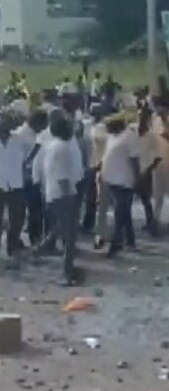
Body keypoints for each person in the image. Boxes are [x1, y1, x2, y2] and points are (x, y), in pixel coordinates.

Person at [38, 115, 83, 285]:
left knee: (60, 228)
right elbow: (63, 177)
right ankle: (67, 273)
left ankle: (39, 250)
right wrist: (69, 198)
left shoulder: (52, 146)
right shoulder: (63, 148)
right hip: (62, 194)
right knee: (70, 235)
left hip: (53, 193)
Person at [101, 113, 140, 257]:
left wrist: (137, 180)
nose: (106, 129)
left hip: (124, 182)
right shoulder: (112, 137)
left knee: (119, 214)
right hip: (111, 181)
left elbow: (134, 160)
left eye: (108, 126)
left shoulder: (129, 137)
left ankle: (116, 244)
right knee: (125, 214)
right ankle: (130, 241)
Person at [15, 110, 49, 246]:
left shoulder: (33, 133)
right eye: (44, 124)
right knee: (30, 210)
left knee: (34, 209)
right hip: (25, 178)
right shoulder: (22, 136)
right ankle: (33, 237)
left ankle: (33, 234)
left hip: (31, 177)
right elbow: (21, 160)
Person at [0, 114, 26, 261]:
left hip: (16, 184)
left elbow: (28, 156)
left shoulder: (18, 140)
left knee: (17, 219)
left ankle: (13, 247)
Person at [136, 106, 161, 236]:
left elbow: (158, 156)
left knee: (146, 200)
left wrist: (149, 170)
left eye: (144, 118)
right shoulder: (132, 133)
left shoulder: (151, 136)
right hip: (132, 170)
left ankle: (152, 225)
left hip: (145, 171)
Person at [88, 105, 110, 246]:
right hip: (98, 168)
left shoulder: (99, 129)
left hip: (102, 168)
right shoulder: (98, 128)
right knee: (101, 204)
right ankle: (101, 233)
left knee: (101, 204)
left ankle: (101, 234)